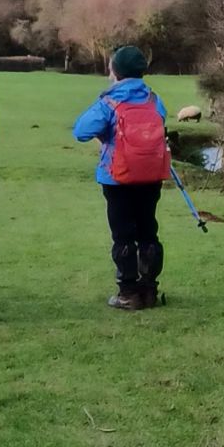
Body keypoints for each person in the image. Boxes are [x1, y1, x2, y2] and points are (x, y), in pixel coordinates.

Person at [72, 45, 172, 311]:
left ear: (115, 70)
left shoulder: (110, 102)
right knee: (148, 231)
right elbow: (162, 123)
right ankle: (149, 290)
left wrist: (106, 133)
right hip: (151, 176)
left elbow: (81, 130)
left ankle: (128, 293)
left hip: (117, 178)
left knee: (123, 235)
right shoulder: (154, 99)